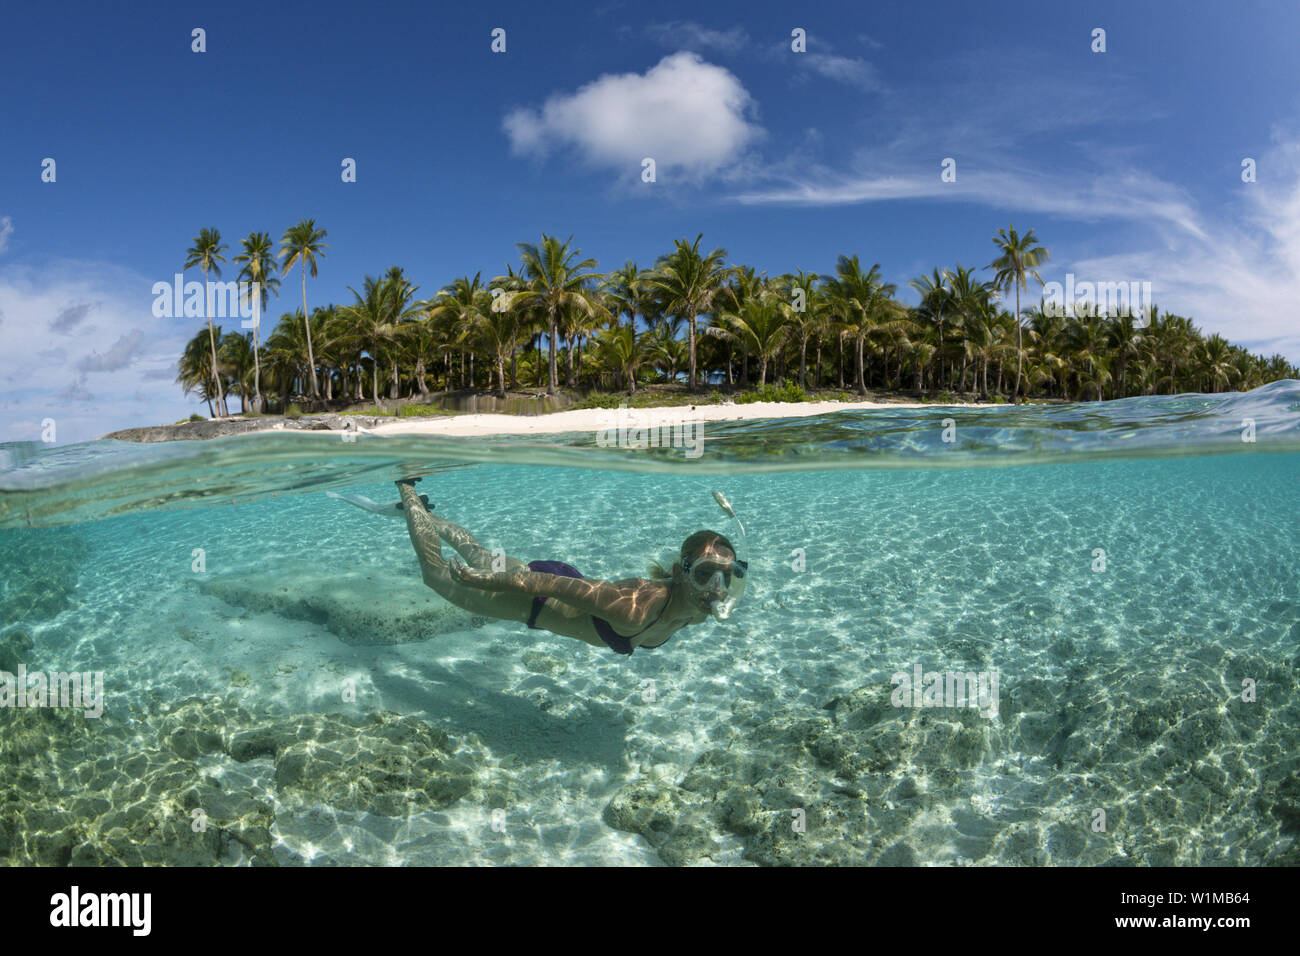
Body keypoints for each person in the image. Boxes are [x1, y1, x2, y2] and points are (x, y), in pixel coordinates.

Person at [391, 479, 746, 655]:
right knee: (434, 574)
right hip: (534, 597)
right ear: (680, 572)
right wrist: (484, 582)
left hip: (560, 578)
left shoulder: (700, 609)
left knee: (477, 551)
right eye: (704, 573)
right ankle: (407, 491)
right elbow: (545, 586)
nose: (716, 587)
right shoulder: (634, 610)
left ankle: (422, 511)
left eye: (725, 576)